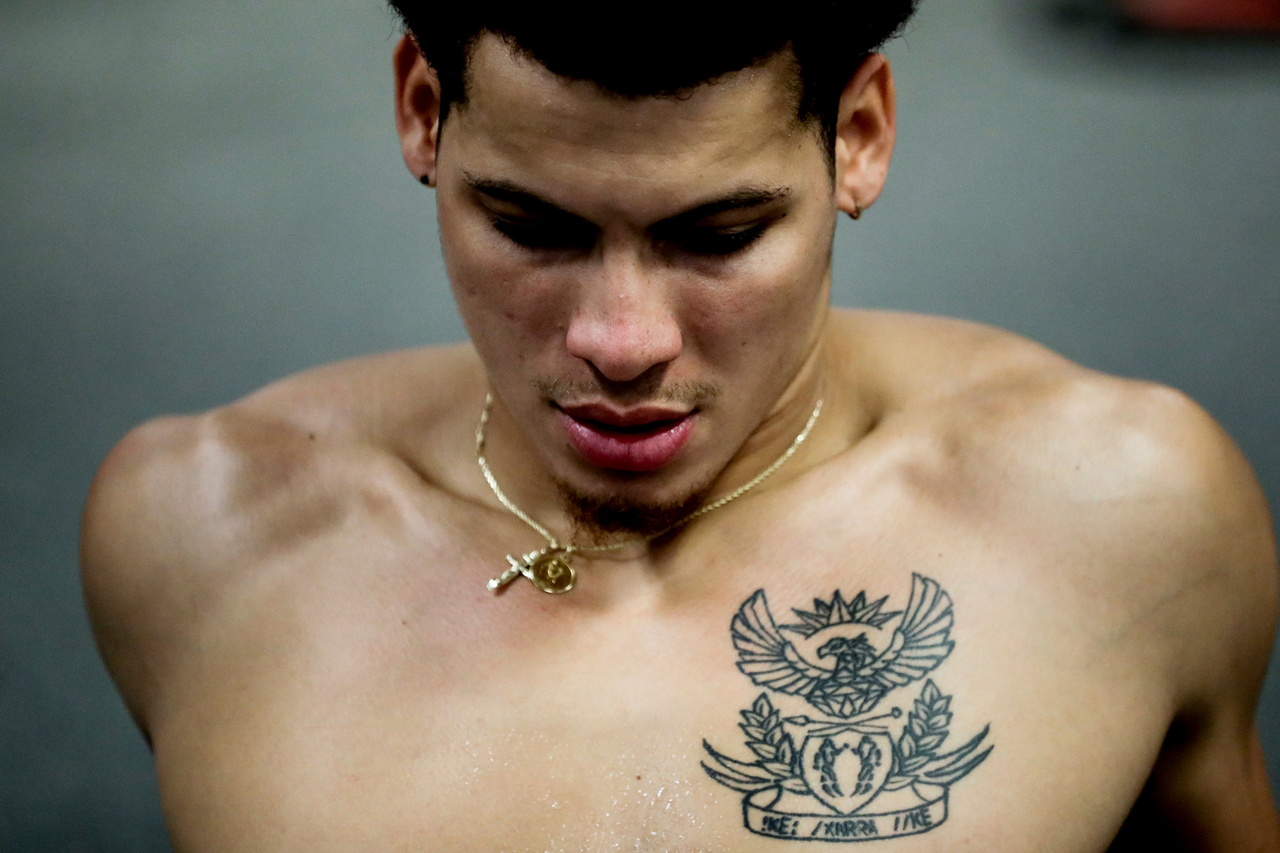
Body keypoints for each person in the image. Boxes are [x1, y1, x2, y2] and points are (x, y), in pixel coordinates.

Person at [80, 2, 1280, 850]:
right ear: (422, 113)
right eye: (529, 225)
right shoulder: (200, 529)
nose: (619, 340)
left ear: (855, 138)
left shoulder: (1124, 511)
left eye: (715, 237)